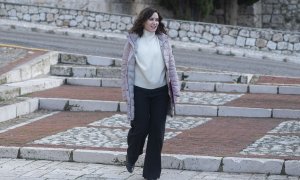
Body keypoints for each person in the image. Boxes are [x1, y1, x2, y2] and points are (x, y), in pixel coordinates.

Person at [121, 7, 180, 180]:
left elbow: (172, 66)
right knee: (139, 127)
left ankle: (151, 174)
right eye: (151, 19)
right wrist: (126, 92)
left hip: (160, 93)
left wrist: (175, 89)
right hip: (140, 92)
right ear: (143, 21)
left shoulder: (163, 41)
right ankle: (132, 156)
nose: (155, 22)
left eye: (157, 20)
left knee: (157, 132)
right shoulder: (133, 41)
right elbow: (125, 68)